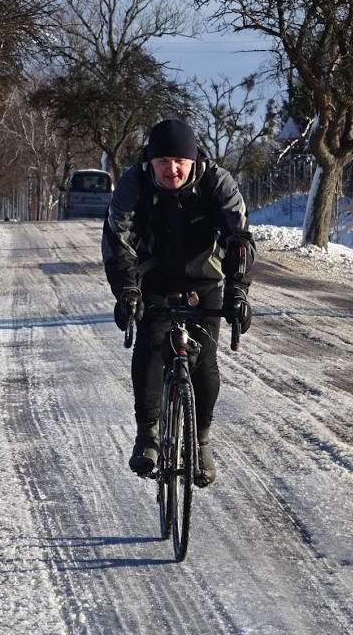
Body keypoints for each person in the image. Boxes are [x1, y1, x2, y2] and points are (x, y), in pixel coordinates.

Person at [102, 119, 255, 486]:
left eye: (179, 162)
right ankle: (148, 435)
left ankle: (200, 441)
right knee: (152, 348)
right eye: (163, 162)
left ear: (193, 161)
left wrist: (238, 291)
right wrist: (127, 291)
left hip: (206, 281)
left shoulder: (218, 183)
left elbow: (240, 240)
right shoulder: (133, 184)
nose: (172, 169)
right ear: (149, 162)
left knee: (204, 361)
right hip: (153, 279)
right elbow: (117, 242)